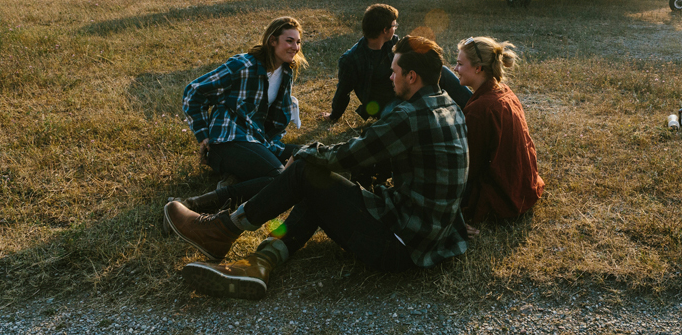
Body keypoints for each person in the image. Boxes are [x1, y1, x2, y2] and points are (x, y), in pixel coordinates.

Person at [163, 35, 470, 299]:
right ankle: (260, 262)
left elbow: (350, 155)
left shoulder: (409, 115)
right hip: (433, 237)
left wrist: (309, 153)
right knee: (320, 185)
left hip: (401, 245)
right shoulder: (449, 106)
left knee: (307, 172)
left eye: (394, 72)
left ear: (412, 76)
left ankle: (223, 229)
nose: (390, 78)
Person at [173, 16, 307, 213]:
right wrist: (203, 135)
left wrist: (270, 146)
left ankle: (234, 180)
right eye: (289, 40)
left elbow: (276, 119)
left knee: (307, 156)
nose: (295, 47)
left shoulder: (286, 71)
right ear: (272, 41)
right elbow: (194, 91)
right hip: (228, 140)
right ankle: (190, 205)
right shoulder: (244, 65)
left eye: (298, 42)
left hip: (256, 140)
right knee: (279, 178)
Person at [323, 3, 470, 123]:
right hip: (385, 104)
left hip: (407, 88)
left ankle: (474, 106)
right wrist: (334, 115)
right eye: (394, 25)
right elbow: (343, 91)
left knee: (442, 71)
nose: (395, 28)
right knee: (402, 116)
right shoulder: (351, 59)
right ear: (385, 30)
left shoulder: (393, 42)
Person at [453, 37, 544, 228]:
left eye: (460, 64)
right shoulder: (502, 90)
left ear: (478, 68)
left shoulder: (480, 111)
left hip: (502, 195)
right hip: (524, 186)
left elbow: (469, 168)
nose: (455, 68)